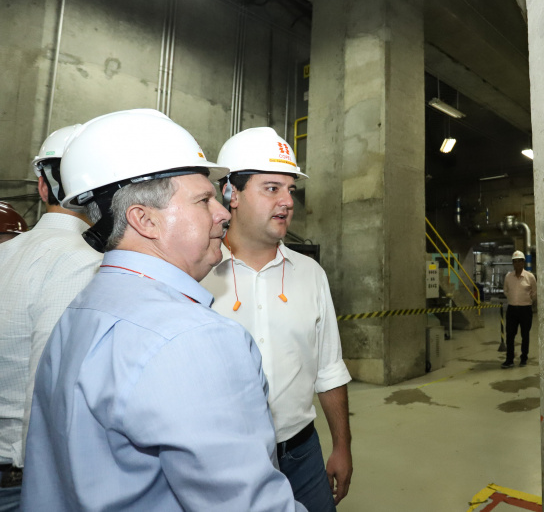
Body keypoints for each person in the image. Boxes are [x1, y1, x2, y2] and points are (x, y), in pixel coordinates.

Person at [21, 109, 305, 511]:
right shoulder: (193, 339)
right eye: (204, 199)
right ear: (145, 220)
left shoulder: (81, 311)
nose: (223, 212)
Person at [201, 127, 352, 511]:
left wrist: (341, 447)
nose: (287, 201)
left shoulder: (310, 274)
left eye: (291, 190)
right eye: (271, 189)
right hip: (222, 461)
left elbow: (329, 369)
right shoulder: (196, 272)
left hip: (303, 454)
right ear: (231, 194)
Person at [0, 126, 102, 510]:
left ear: (43, 188)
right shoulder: (83, 262)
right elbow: (48, 389)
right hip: (27, 479)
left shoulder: (7, 253)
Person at [502, 250, 537, 368]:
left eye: (519, 261)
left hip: (525, 310)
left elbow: (534, 292)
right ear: (513, 263)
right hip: (512, 310)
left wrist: (525, 300)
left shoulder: (530, 277)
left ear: (523, 262)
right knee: (510, 335)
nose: (517, 264)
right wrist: (513, 300)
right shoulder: (508, 277)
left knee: (525, 334)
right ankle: (509, 359)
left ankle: (524, 358)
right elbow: (506, 291)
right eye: (515, 262)